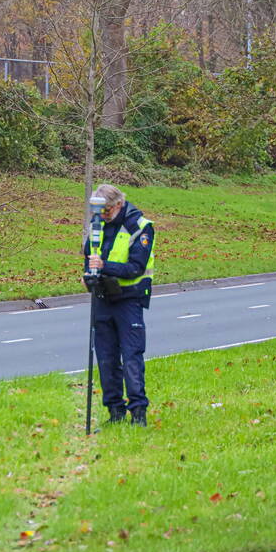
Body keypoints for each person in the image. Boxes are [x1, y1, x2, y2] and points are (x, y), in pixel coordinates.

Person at [82, 183, 155, 427]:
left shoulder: (140, 227)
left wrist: (104, 266)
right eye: (99, 211)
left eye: (107, 211)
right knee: (106, 358)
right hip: (102, 297)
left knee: (131, 356)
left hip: (129, 300)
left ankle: (138, 413)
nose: (102, 216)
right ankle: (114, 412)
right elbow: (88, 255)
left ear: (119, 205)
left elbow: (136, 267)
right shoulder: (97, 224)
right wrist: (88, 274)